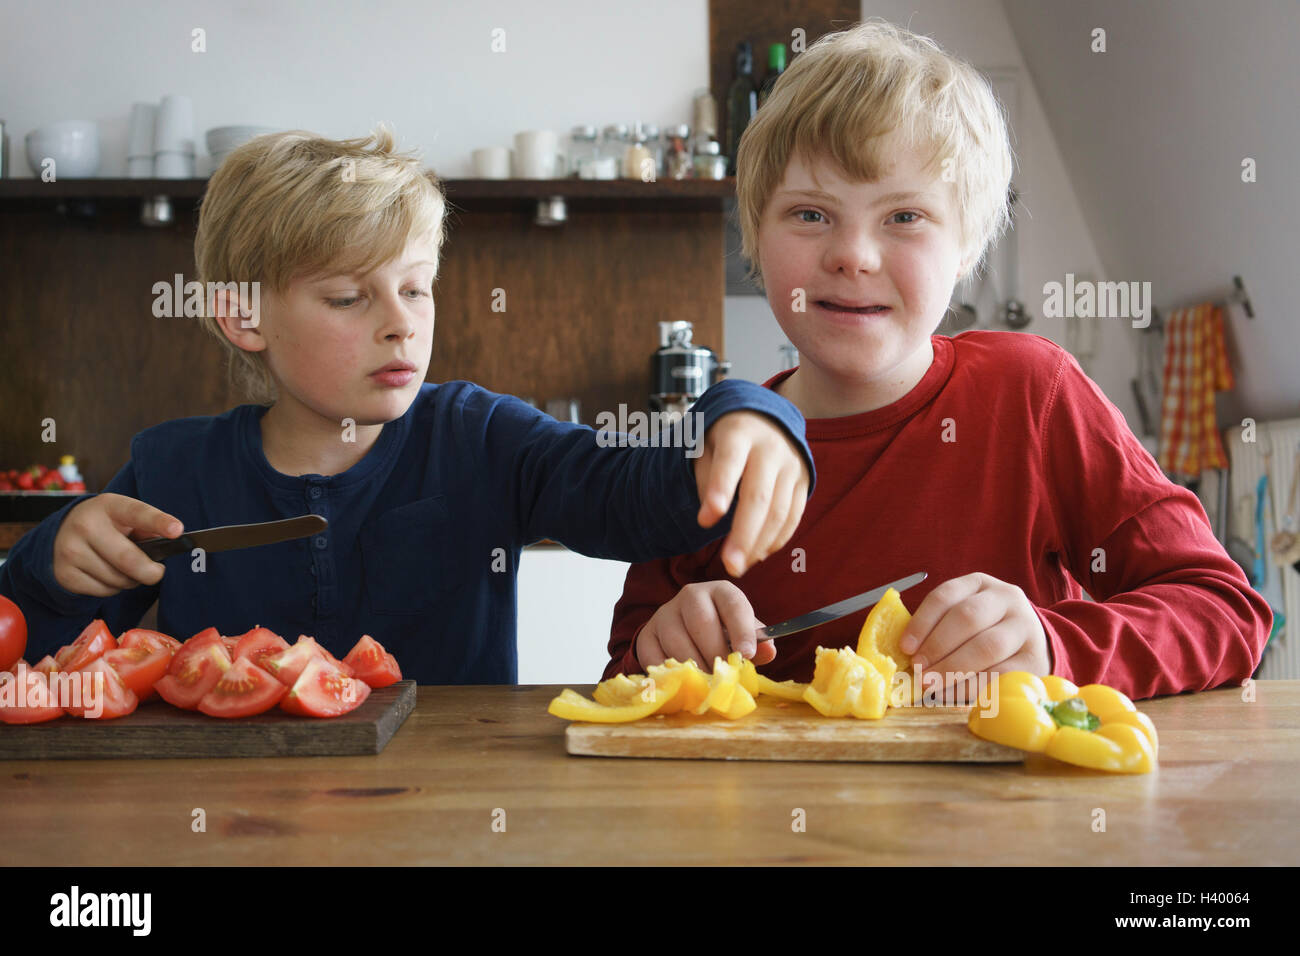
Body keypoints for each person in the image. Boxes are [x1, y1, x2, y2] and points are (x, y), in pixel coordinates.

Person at [0, 125, 815, 685]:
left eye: (417, 288)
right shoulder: (171, 468)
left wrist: (744, 415)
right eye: (351, 298)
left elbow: (637, 497)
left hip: (449, 814)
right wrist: (52, 563)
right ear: (244, 316)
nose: (401, 323)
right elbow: (32, 655)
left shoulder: (481, 437)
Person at [603, 19, 1271, 701]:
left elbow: (1226, 610)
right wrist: (660, 648)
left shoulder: (1033, 396)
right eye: (810, 214)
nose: (853, 255)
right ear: (755, 236)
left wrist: (1053, 644)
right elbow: (625, 672)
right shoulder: (713, 454)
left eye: (904, 218)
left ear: (965, 249)